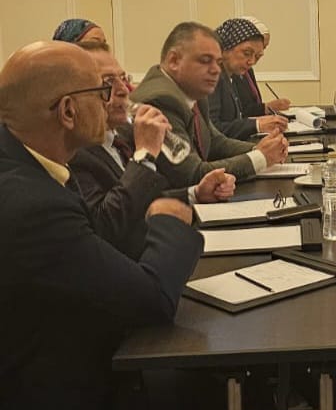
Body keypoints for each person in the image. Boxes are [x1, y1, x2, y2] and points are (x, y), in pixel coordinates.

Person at [0, 40, 202, 410]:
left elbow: (93, 236)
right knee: (196, 398)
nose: (113, 99)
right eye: (102, 91)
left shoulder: (33, 165)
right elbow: (152, 300)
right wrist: (169, 220)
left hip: (49, 355)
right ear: (68, 111)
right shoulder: (31, 202)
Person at [69, 42, 236, 258]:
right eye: (108, 82)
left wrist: (195, 193)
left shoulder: (120, 135)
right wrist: (145, 155)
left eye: (123, 78)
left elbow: (142, 200)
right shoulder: (74, 152)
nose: (124, 90)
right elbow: (105, 226)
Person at [130, 21, 288, 189]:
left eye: (218, 62)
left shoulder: (192, 89)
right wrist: (260, 158)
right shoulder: (161, 101)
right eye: (205, 61)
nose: (216, 70)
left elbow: (214, 141)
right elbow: (192, 174)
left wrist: (260, 148)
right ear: (174, 60)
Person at [208, 18, 288, 140]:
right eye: (246, 53)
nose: (252, 62)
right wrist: (257, 125)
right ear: (225, 48)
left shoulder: (230, 76)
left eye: (257, 57)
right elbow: (212, 131)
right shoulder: (211, 77)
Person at [233, 15, 292, 116]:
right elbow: (239, 111)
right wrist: (267, 107)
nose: (262, 52)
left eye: (264, 47)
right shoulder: (232, 70)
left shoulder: (248, 69)